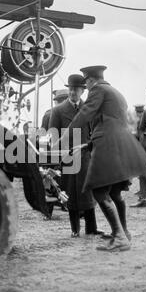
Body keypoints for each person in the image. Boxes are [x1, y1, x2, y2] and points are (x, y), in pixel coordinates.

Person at [55, 66, 146, 251]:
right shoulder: (115, 92)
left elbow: (84, 115)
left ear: (91, 80)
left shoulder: (98, 90)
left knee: (99, 192)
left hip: (108, 146)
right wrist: (86, 145)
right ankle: (124, 233)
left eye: (87, 82)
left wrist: (64, 137)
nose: (87, 86)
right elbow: (109, 124)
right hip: (120, 145)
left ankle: (120, 238)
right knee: (115, 193)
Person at [49, 74, 106, 238]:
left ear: (83, 91)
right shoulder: (58, 111)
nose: (73, 92)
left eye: (76, 89)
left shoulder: (88, 109)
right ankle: (75, 228)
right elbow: (53, 136)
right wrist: (58, 159)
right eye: (71, 89)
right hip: (68, 158)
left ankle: (91, 228)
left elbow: (94, 131)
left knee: (88, 192)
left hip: (86, 156)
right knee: (71, 193)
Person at [133, 105, 146, 198]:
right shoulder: (138, 122)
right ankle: (143, 189)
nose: (139, 114)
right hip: (141, 145)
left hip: (145, 146)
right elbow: (138, 134)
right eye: (138, 112)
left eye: (141, 112)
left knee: (144, 167)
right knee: (142, 168)